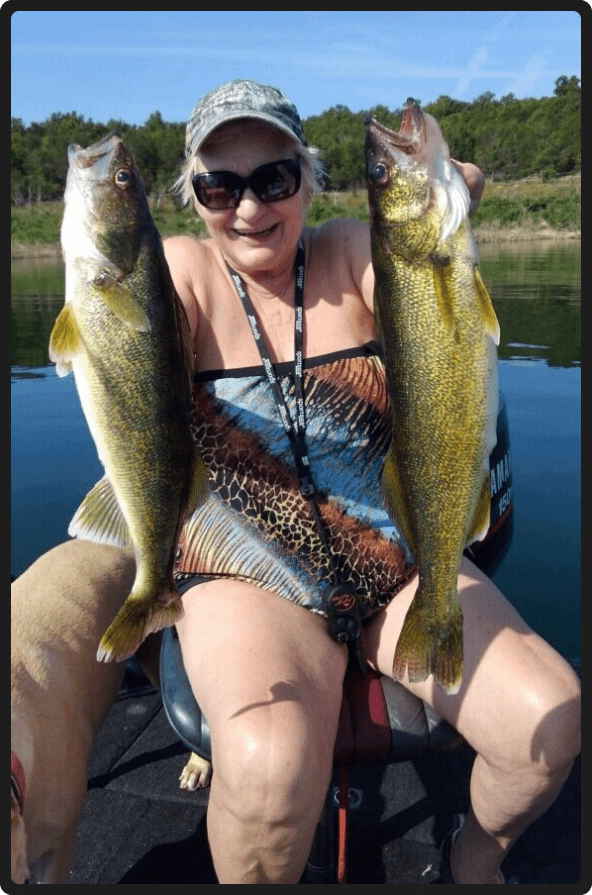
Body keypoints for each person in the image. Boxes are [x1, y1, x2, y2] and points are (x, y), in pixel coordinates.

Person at [22, 79, 579, 884]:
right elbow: (121, 298)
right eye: (220, 184)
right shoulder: (175, 272)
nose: (248, 207)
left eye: (274, 178)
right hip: (249, 571)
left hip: (398, 549)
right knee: (265, 762)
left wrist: (448, 192)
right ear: (193, 196)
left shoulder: (356, 252)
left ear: (310, 178)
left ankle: (474, 859)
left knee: (549, 723)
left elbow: (428, 275)